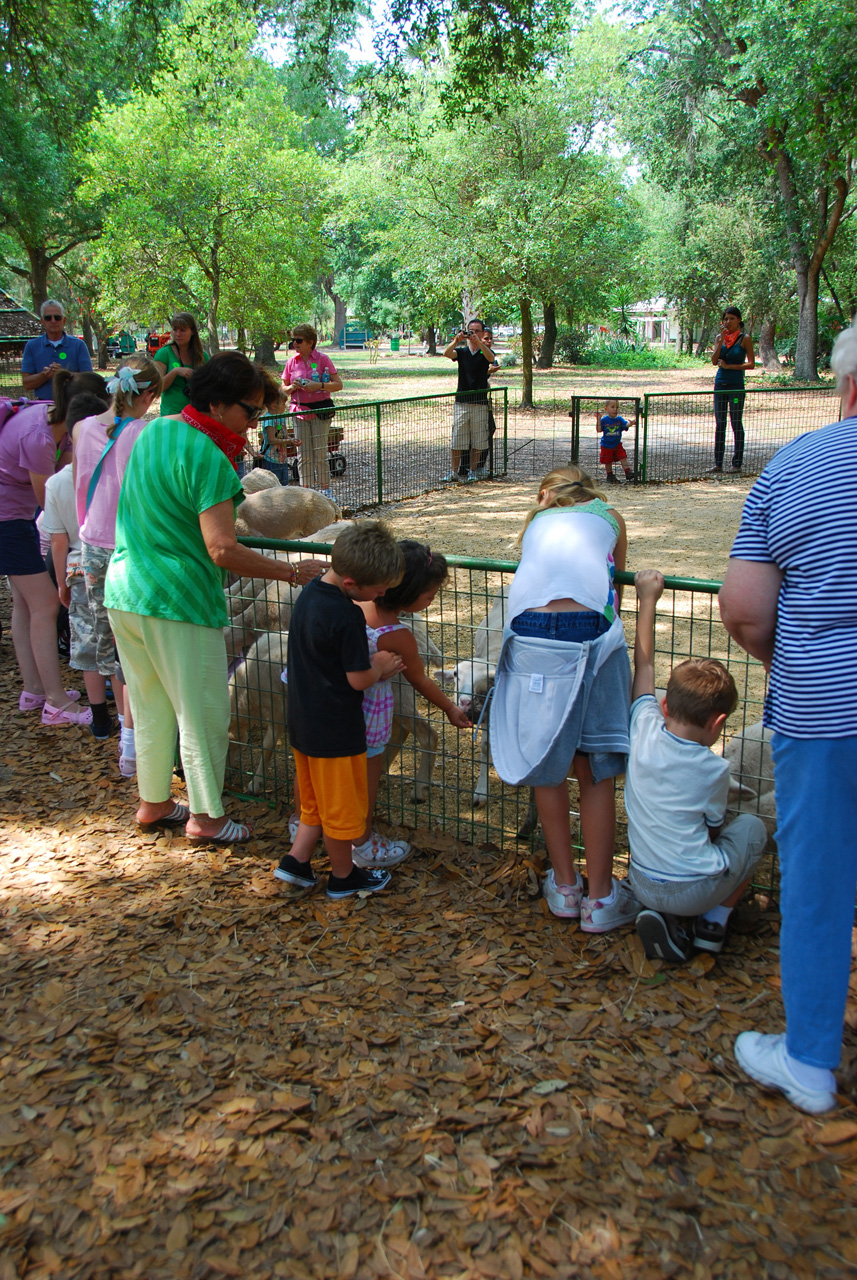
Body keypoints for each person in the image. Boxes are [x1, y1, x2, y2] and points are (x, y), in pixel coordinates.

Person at [718, 320, 857, 1115]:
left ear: (846, 384)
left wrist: (793, 662)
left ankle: (807, 1058)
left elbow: (742, 610)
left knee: (819, 882)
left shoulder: (799, 464)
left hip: (825, 712)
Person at [104, 351, 328, 843]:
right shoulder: (207, 454)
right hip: (176, 599)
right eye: (250, 412)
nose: (253, 424)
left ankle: (154, 802)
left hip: (125, 592)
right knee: (203, 708)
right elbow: (222, 548)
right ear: (220, 404)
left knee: (151, 703)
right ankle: (206, 817)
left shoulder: (154, 431)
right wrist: (290, 573)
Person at [489, 466, 639, 932]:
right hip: (590, 631)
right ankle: (600, 898)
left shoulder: (537, 522)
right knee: (593, 767)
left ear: (545, 495)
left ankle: (565, 887)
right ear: (589, 492)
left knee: (545, 759)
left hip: (527, 631)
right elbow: (611, 588)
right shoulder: (609, 516)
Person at [281, 539, 473, 870]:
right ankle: (362, 843)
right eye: (429, 596)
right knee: (363, 784)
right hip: (364, 721)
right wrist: (449, 708)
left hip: (316, 711)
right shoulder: (398, 636)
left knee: (311, 777)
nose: (431, 601)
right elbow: (420, 680)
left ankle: (302, 827)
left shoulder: (343, 603)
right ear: (404, 593)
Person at [625, 570, 767, 963]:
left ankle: (669, 921)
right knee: (752, 827)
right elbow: (714, 825)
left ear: (664, 706)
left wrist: (649, 599)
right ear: (718, 723)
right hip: (693, 887)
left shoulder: (643, 728)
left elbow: (646, 666)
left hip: (640, 878)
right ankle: (712, 923)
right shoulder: (713, 769)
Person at [274, 521, 407, 898]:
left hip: (303, 723)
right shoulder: (347, 616)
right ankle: (344, 877)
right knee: (342, 810)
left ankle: (297, 862)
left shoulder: (309, 595)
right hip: (336, 731)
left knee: (314, 802)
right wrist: (380, 666)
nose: (382, 595)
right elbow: (357, 679)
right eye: (378, 589)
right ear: (351, 584)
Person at [1, 369, 108, 725]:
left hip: (15, 516)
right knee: (47, 604)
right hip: (8, 520)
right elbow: (52, 505)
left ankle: (33, 688)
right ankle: (56, 702)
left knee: (25, 603)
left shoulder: (55, 424)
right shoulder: (40, 438)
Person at [73, 357, 163, 765]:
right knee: (134, 645)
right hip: (128, 545)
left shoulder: (81, 427)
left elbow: (79, 484)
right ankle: (133, 741)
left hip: (91, 541)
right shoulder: (143, 433)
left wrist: (85, 530)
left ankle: (123, 740)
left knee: (108, 642)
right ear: (146, 395)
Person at [40, 390, 113, 738]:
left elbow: (57, 541)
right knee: (114, 646)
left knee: (87, 643)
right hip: (110, 564)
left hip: (77, 569)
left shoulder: (56, 483)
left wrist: (60, 583)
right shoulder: (111, 476)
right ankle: (128, 728)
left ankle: (100, 719)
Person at [281, 323, 342, 498]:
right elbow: (282, 389)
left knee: (320, 453)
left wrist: (319, 385)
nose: (295, 344)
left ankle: (325, 491)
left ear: (310, 342)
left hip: (320, 412)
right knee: (303, 455)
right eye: (293, 340)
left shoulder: (323, 359)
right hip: (299, 412)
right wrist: (293, 387)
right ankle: (305, 492)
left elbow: (338, 384)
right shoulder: (291, 362)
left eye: (298, 340)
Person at [442, 318, 496, 483]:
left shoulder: (483, 351)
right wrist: (456, 340)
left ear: (482, 332)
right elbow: (447, 353)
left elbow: (491, 358)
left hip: (479, 402)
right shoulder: (462, 352)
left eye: (477, 331)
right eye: (470, 330)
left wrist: (480, 343)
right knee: (458, 438)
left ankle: (472, 470)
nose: (473, 334)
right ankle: (454, 472)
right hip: (462, 401)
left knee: (478, 439)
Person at [710, 306, 754, 474]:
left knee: (736, 422)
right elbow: (714, 361)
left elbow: (751, 364)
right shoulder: (719, 338)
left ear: (739, 320)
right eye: (726, 319)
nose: (728, 322)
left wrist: (730, 366)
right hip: (720, 385)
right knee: (720, 423)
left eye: (732, 319)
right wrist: (720, 343)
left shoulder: (745, 339)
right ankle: (718, 463)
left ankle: (737, 463)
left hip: (736, 387)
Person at [21, 300, 94, 401]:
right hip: (44, 406)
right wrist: (44, 375)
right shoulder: (32, 346)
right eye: (48, 318)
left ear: (64, 320)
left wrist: (64, 374)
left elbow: (89, 380)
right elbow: (26, 384)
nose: (53, 321)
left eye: (57, 317)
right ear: (42, 321)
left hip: (74, 405)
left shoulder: (78, 345)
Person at [153, 313, 208, 417]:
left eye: (182, 330)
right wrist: (175, 372)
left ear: (192, 331)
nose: (178, 334)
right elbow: (158, 388)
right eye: (175, 329)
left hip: (196, 414)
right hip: (171, 414)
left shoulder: (202, 356)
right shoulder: (164, 353)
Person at [595, 398, 634, 484]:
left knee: (623, 456)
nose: (615, 409)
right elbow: (598, 429)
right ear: (606, 409)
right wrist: (598, 419)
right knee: (607, 460)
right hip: (606, 445)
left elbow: (625, 424)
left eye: (617, 407)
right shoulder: (604, 420)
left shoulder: (619, 419)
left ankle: (628, 472)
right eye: (612, 407)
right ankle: (610, 475)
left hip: (617, 444)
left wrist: (630, 424)